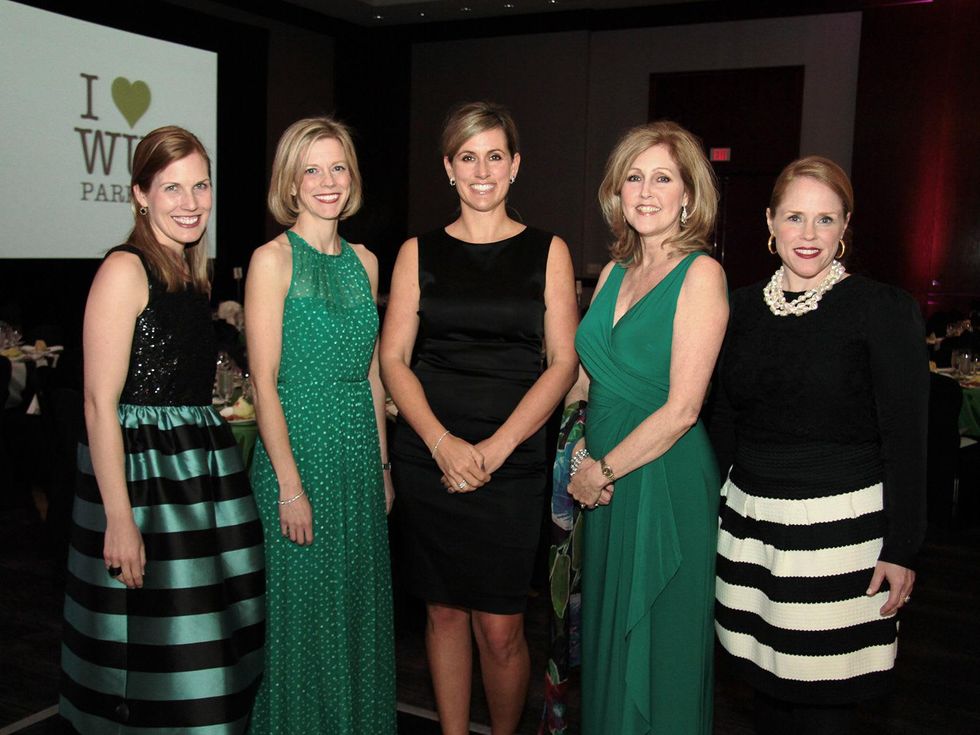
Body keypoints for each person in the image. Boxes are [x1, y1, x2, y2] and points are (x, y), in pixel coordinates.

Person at [380, 101, 578, 734]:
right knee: (441, 615)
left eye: (495, 156)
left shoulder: (549, 252)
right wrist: (441, 443)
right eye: (469, 157)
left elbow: (561, 364)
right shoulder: (418, 252)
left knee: (500, 626)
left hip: (512, 462)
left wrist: (493, 449)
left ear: (515, 166)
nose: (482, 170)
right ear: (449, 168)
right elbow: (393, 360)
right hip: (429, 460)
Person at [710, 156, 927, 734]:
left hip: (841, 540)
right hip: (751, 532)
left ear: (845, 227)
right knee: (766, 697)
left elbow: (907, 437)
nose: (809, 235)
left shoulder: (882, 310)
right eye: (795, 217)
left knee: (824, 710)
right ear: (770, 222)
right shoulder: (736, 308)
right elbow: (723, 417)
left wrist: (902, 547)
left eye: (825, 220)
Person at [60, 126, 265, 733]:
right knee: (168, 644)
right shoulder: (126, 269)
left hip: (194, 470)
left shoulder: (185, 271)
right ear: (139, 195)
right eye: (172, 187)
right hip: (145, 482)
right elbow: (100, 404)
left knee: (212, 635)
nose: (191, 201)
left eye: (200, 185)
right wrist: (120, 519)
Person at [565, 121, 728, 734]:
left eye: (663, 177)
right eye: (634, 177)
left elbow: (684, 409)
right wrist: (575, 445)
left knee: (663, 643)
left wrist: (598, 469)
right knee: (610, 631)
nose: (646, 191)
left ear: (689, 194)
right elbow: (585, 382)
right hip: (603, 478)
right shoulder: (610, 275)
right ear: (616, 192)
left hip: (662, 475)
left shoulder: (701, 275)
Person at [244, 116, 395, 734]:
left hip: (357, 456)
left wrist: (384, 469)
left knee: (355, 612)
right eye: (312, 169)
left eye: (338, 167)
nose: (327, 181)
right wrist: (289, 485)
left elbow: (374, 377)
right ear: (292, 181)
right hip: (296, 457)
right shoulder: (271, 260)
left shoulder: (368, 261)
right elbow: (263, 382)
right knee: (301, 617)